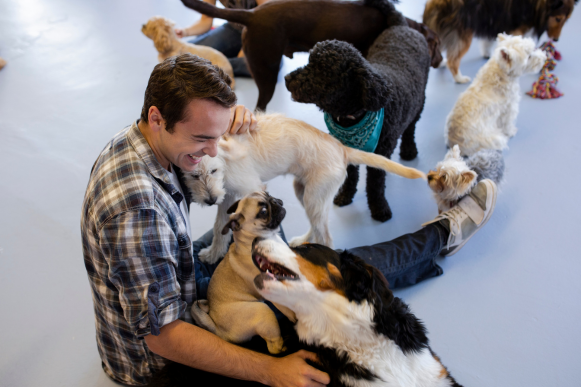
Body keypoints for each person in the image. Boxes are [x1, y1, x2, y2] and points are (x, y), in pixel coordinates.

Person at [81, 53, 496, 386]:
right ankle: (442, 236)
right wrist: (270, 371)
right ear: (157, 117)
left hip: (180, 274)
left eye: (217, 134)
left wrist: (232, 124)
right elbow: (163, 336)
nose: (212, 151)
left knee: (281, 237)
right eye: (203, 138)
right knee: (345, 275)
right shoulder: (136, 212)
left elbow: (211, 145)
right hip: (163, 358)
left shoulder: (148, 136)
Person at [175, 0, 268, 78]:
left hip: (261, 32)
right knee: (182, 56)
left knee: (263, 66)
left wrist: (246, 46)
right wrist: (185, 31)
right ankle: (219, 64)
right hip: (233, 28)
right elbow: (205, 20)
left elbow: (266, 17)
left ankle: (214, 65)